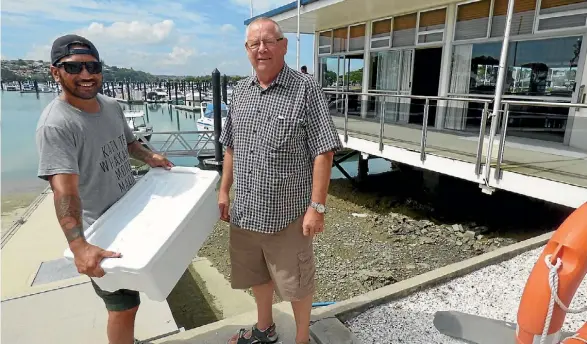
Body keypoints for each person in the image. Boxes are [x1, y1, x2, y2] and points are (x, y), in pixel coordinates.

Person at [35, 34, 173, 344]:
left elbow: (127, 143)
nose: (86, 75)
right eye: (74, 68)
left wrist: (150, 156)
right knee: (123, 306)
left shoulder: (111, 105)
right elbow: (64, 191)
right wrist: (78, 246)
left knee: (134, 297)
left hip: (132, 216)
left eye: (93, 66)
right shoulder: (56, 125)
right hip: (101, 230)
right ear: (55, 72)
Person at [218, 17, 342, 344]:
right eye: (254, 44)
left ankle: (301, 339)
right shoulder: (241, 90)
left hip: (287, 214)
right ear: (246, 50)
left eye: (269, 41)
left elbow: (323, 151)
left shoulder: (305, 89)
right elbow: (231, 145)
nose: (262, 49)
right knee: (256, 276)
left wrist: (317, 207)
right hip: (245, 211)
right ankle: (264, 329)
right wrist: (223, 190)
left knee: (296, 284)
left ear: (283, 46)